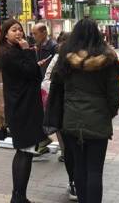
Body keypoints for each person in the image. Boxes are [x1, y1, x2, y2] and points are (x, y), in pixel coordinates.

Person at [51, 19, 119, 203]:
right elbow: (115, 96)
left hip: (71, 120)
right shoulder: (108, 59)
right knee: (95, 170)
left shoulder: (66, 58)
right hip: (98, 121)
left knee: (79, 168)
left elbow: (57, 88)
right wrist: (107, 113)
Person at [0, 19, 50, 203]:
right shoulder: (9, 54)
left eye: (20, 29)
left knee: (25, 151)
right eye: (14, 30)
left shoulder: (13, 51)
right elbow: (32, 74)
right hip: (22, 108)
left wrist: (29, 57)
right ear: (5, 35)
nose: (18, 33)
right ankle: (18, 197)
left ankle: (19, 196)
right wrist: (28, 51)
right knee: (24, 152)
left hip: (25, 106)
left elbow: (30, 72)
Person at [41, 32, 76, 200]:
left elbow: (50, 81)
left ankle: (74, 182)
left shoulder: (61, 60)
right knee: (73, 150)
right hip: (69, 112)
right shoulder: (63, 59)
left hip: (65, 111)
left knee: (70, 150)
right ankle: (76, 183)